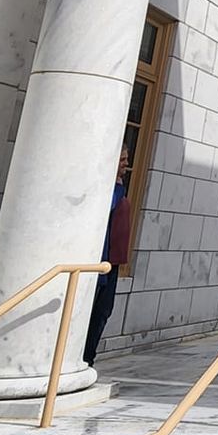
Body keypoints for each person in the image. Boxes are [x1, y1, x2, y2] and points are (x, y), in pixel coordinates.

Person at [83, 148, 133, 366]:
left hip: (112, 262)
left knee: (104, 310)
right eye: (122, 159)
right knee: (92, 310)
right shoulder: (109, 191)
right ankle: (83, 358)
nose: (126, 164)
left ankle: (88, 356)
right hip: (100, 261)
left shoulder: (119, 188)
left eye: (127, 160)